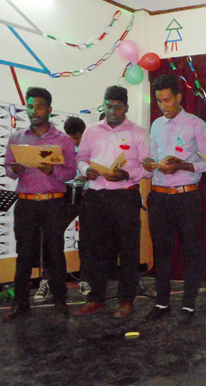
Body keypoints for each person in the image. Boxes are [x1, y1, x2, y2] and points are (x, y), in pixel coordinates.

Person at [74, 86, 152, 318]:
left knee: (128, 250)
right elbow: (80, 157)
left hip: (125, 196)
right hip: (96, 196)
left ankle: (125, 300)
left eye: (117, 108)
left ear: (126, 108)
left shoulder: (139, 133)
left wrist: (127, 174)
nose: (112, 112)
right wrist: (86, 169)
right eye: (108, 106)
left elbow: (148, 169)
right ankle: (95, 299)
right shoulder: (91, 130)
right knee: (94, 251)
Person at [142, 74, 206, 323]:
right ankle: (162, 302)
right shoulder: (156, 125)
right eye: (159, 102)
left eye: (168, 100)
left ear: (179, 97)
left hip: (186, 197)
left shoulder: (196, 125)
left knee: (191, 250)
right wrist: (151, 164)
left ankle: (188, 305)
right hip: (159, 196)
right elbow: (151, 157)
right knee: (161, 252)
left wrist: (181, 165)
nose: (164, 106)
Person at [3, 87, 76, 320]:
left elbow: (71, 172)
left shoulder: (63, 140)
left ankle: (60, 300)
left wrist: (52, 170)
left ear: (49, 109)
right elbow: (8, 169)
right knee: (24, 253)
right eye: (31, 106)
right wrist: (14, 170)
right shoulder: (17, 138)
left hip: (53, 203)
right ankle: (20, 303)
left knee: (55, 252)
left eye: (40, 106)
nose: (34, 111)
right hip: (25, 203)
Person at [34, 116, 91, 302]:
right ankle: (48, 280)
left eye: (77, 137)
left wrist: (85, 176)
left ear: (84, 133)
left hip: (87, 195)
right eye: (71, 137)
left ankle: (86, 279)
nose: (74, 140)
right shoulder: (60, 147)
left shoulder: (90, 146)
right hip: (63, 195)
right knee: (51, 237)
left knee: (87, 240)